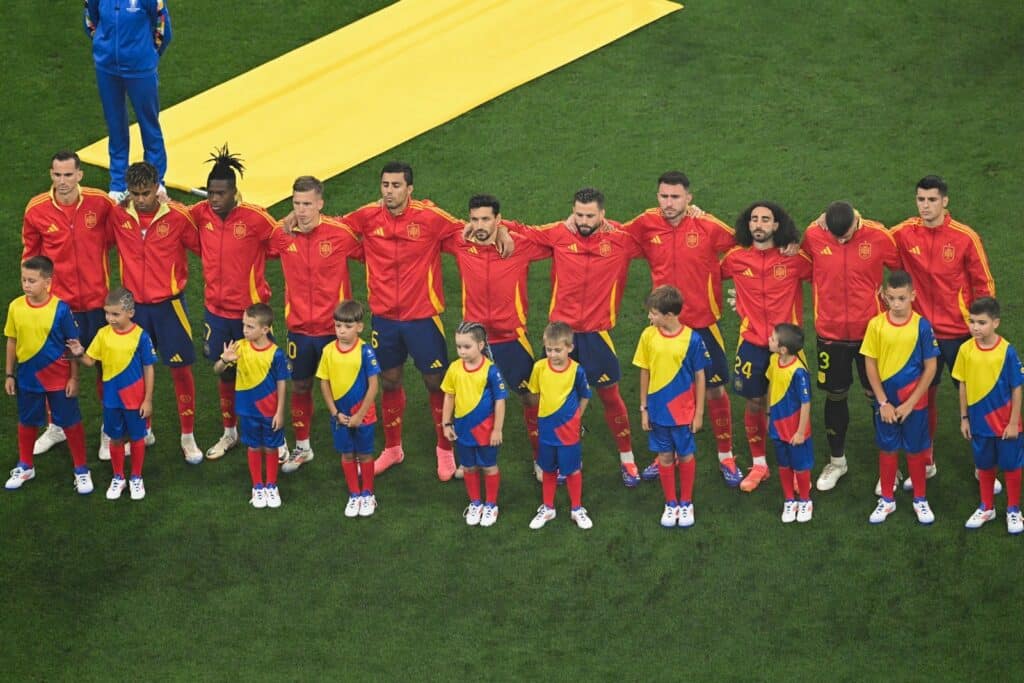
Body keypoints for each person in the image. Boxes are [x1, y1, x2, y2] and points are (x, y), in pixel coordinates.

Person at [333, 162, 469, 480]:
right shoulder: (366, 216)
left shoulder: (430, 217)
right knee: (390, 380)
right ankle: (393, 448)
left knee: (435, 383)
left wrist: (501, 230)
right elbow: (335, 228)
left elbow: (465, 229)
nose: (389, 191)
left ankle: (445, 449)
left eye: (396, 186)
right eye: (385, 185)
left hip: (423, 318)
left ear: (410, 189)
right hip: (384, 319)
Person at [516, 188, 643, 487]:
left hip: (597, 335)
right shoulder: (559, 233)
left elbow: (662, 239)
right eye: (579, 214)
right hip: (561, 335)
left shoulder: (622, 240)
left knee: (610, 396)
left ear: (602, 214)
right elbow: (524, 231)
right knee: (552, 398)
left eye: (590, 215)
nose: (584, 221)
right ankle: (560, 455)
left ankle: (628, 459)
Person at [623, 172, 742, 486]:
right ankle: (667, 452)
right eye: (663, 196)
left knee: (715, 389)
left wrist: (734, 278)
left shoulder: (707, 225)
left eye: (675, 197)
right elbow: (615, 237)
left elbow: (745, 242)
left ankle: (726, 454)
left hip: (702, 323)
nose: (668, 203)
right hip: (664, 324)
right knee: (665, 391)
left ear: (689, 197)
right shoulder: (646, 223)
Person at [890, 175, 996, 488]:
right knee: (925, 399)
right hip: (922, 334)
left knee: (978, 398)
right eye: (921, 199)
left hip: (961, 334)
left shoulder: (965, 237)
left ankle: (984, 465)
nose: (925, 206)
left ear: (945, 201)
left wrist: (982, 327)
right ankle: (927, 461)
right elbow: (872, 234)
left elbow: (983, 283)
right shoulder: (904, 232)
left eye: (932, 199)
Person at [801, 201, 901, 491]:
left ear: (857, 222)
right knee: (835, 395)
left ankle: (890, 468)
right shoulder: (814, 234)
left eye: (845, 236)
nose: (841, 241)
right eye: (836, 238)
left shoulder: (879, 236)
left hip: (871, 334)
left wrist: (889, 296)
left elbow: (900, 268)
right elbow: (795, 256)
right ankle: (837, 461)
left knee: (879, 397)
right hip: (830, 334)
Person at [189, 145, 279, 461]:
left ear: (234, 192)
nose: (214, 199)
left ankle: (274, 434)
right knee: (226, 372)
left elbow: (281, 241)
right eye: (211, 192)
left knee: (263, 373)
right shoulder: (200, 215)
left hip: (250, 314)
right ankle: (230, 433)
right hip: (216, 312)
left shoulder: (255, 218)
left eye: (221, 193)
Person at [108, 161, 203, 463]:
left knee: (180, 370)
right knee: (134, 373)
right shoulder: (119, 215)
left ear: (156, 186)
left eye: (146, 192)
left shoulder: (178, 216)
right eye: (134, 193)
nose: (141, 199)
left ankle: (188, 437)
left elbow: (206, 246)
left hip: (170, 307)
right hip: (133, 310)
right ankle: (143, 429)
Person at [22, 151, 116, 457]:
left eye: (68, 175)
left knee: (107, 368)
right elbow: (30, 257)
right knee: (57, 369)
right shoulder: (36, 209)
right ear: (51, 174)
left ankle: (109, 429)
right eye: (57, 175)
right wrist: (36, 299)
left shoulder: (100, 203)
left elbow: (121, 235)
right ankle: (58, 426)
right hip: (60, 308)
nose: (62, 182)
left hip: (97, 304)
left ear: (80, 175)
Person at [447, 195, 548, 474]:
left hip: (510, 337)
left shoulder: (520, 245)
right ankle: (468, 459)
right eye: (475, 219)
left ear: (497, 219)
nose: (480, 225)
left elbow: (551, 239)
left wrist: (507, 230)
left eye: (486, 219)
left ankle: (540, 457)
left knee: (529, 397)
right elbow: (435, 230)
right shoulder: (460, 243)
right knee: (469, 398)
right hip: (474, 340)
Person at [271, 176, 363, 473]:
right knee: (300, 386)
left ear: (320, 204)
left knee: (347, 390)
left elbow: (370, 248)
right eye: (296, 204)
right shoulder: (283, 235)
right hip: (299, 329)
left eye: (307, 204)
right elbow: (261, 241)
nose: (301, 210)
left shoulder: (340, 234)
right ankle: (303, 447)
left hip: (336, 331)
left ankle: (357, 450)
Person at [720, 201, 812, 492]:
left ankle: (798, 466)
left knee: (791, 407)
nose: (759, 224)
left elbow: (828, 270)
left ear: (776, 225)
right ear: (748, 225)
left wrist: (797, 246)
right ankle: (760, 464)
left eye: (766, 219)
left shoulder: (795, 259)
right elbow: (706, 273)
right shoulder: (735, 258)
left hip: (787, 347)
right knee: (755, 402)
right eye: (754, 219)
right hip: (751, 343)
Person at [4, 257, 92, 494]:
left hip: (59, 379)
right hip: (28, 378)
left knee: (71, 422)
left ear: (47, 283)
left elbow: (72, 344)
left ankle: (81, 470)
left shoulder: (61, 310)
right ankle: (25, 466)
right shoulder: (15, 307)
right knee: (27, 420)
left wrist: (74, 378)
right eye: (23, 279)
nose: (26, 285)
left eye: (32, 281)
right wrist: (9, 374)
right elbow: (12, 341)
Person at [862, 271, 939, 525]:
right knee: (887, 449)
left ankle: (920, 499)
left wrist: (911, 402)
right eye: (891, 298)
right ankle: (886, 499)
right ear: (884, 296)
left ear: (912, 296)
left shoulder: (922, 326)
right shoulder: (876, 325)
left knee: (916, 451)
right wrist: (883, 402)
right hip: (886, 404)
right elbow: (870, 364)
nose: (896, 304)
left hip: (915, 404)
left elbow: (931, 368)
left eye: (902, 298)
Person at [67, 288, 157, 501]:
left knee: (137, 438)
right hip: (111, 400)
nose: (110, 318)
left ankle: (136, 477)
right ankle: (119, 476)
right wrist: (79, 352)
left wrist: (148, 399)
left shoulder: (141, 336)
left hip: (135, 400)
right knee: (115, 439)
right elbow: (90, 361)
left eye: (115, 314)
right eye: (107, 313)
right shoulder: (102, 334)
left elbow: (149, 368)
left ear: (130, 313)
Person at [632, 285, 708, 528]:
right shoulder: (647, 336)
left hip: (683, 413)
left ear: (669, 315)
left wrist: (699, 413)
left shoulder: (693, 339)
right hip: (657, 412)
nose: (649, 317)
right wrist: (644, 408)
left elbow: (700, 377)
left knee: (685, 455)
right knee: (664, 456)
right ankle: (671, 503)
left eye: (653, 313)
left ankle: (686, 502)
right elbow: (644, 371)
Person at [84, 0, 172, 200]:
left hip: (140, 69)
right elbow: (90, 20)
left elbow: (163, 28)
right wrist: (103, 44)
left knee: (149, 124)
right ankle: (118, 184)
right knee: (115, 125)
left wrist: (149, 55)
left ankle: (156, 180)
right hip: (107, 68)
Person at [952, 298, 1023, 534]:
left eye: (981, 322)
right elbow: (962, 384)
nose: (975, 327)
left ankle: (1013, 509)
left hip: (1005, 424)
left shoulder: (1007, 351)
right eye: (972, 322)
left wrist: (1014, 422)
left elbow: (1016, 387)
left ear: (995, 323)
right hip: (979, 423)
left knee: (1011, 465)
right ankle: (987, 507)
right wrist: (964, 418)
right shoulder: (965, 350)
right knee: (983, 465)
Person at [214, 304, 289, 509]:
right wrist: (224, 359)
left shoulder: (277, 354)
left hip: (270, 411)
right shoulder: (238, 347)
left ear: (265, 329)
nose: (245, 330)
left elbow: (282, 383)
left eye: (250, 326)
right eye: (244, 325)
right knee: (254, 446)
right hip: (247, 411)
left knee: (271, 447)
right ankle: (258, 486)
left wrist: (280, 411)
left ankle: (271, 485)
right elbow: (217, 369)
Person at [316, 300, 381, 518]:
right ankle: (354, 494)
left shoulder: (365, 351)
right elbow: (323, 382)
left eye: (347, 326)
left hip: (363, 416)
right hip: (340, 417)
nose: (341, 331)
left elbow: (374, 385)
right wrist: (335, 413)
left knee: (364, 453)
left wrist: (360, 415)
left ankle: (368, 493)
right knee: (346, 454)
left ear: (359, 327)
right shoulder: (328, 351)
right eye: (337, 326)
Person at [441, 322, 508, 527]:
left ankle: (491, 505)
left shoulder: (491, 371)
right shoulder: (454, 368)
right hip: (462, 429)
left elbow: (500, 401)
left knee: (488, 466)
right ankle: (475, 503)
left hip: (486, 431)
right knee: (469, 467)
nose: (462, 351)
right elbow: (449, 397)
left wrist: (497, 429)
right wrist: (446, 424)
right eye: (459, 347)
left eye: (466, 347)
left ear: (480, 345)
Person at [527, 322, 593, 530]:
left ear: (569, 348)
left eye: (558, 350)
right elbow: (534, 395)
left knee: (572, 470)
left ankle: (576, 508)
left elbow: (585, 396)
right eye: (549, 350)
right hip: (546, 430)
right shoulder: (539, 368)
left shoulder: (577, 371)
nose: (553, 354)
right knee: (548, 469)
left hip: (568, 432)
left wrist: (576, 418)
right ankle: (548, 507)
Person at [766, 323, 814, 523]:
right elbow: (770, 385)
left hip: (795, 430)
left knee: (800, 467)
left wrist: (801, 432)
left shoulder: (799, 372)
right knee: (783, 465)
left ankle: (804, 500)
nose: (769, 340)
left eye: (773, 338)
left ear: (783, 349)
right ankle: (789, 500)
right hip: (778, 426)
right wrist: (768, 412)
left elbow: (806, 403)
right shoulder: (773, 360)